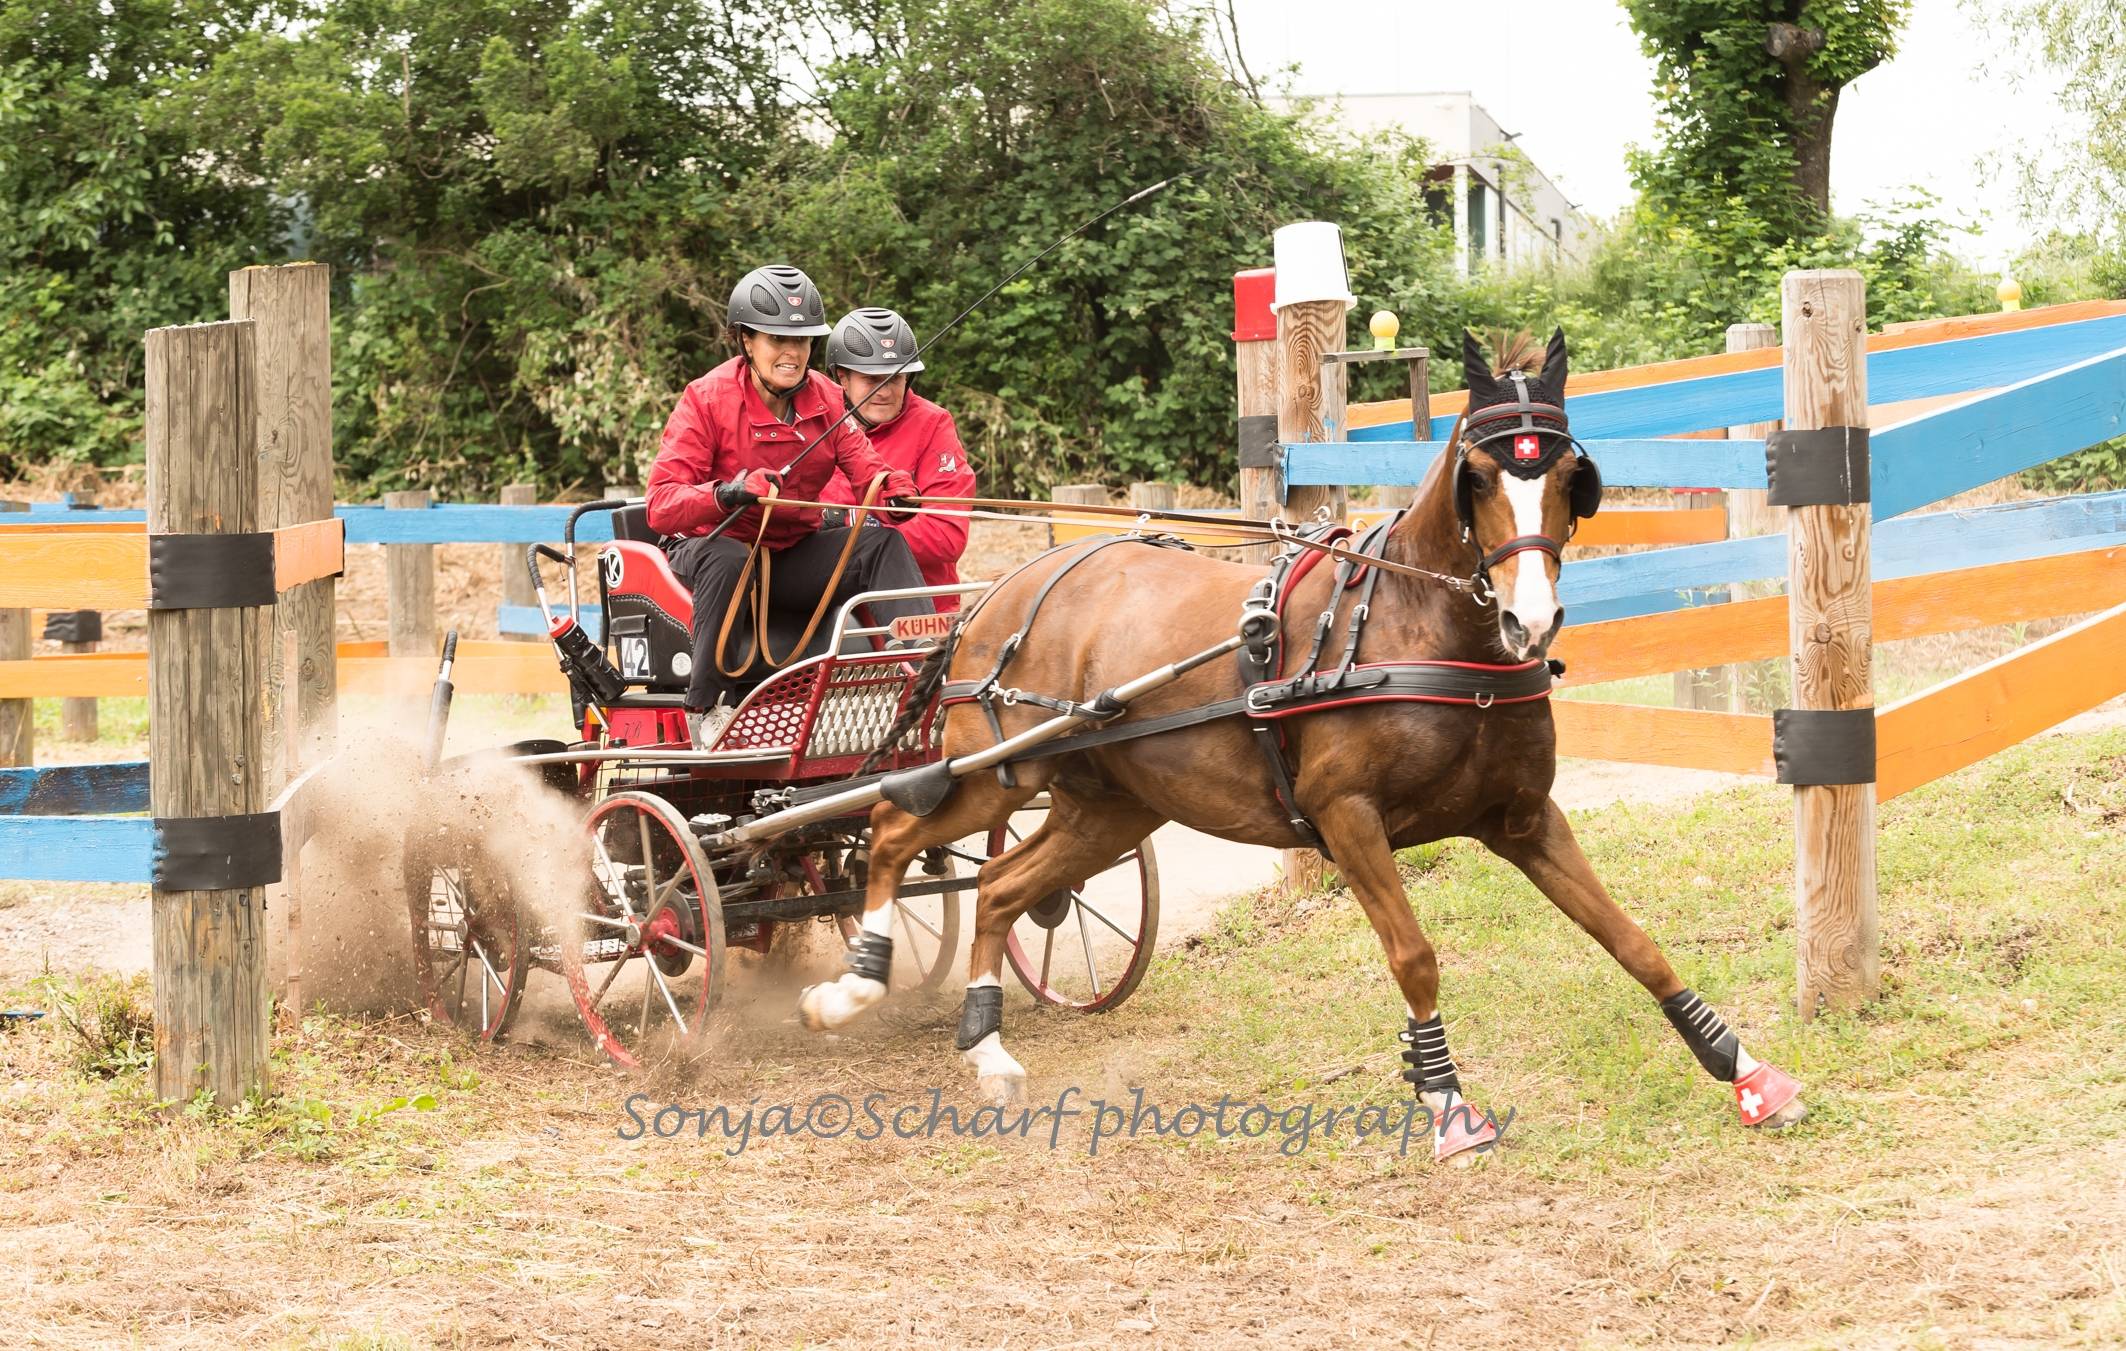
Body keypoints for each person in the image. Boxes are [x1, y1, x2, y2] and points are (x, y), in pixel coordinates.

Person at [647, 264, 932, 747]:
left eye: (801, 341)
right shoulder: (705, 399)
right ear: (745, 341)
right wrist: (727, 492)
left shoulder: (826, 396)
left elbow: (867, 468)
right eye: (777, 338)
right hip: (710, 551)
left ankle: (923, 664)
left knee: (879, 541)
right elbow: (661, 505)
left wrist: (894, 491)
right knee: (731, 557)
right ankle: (706, 708)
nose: (792, 352)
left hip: (789, 556)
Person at [817, 307, 978, 610]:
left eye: (895, 378)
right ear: (843, 378)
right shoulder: (813, 420)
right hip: (827, 604)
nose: (885, 391)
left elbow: (946, 535)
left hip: (915, 606)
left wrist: (854, 531)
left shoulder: (933, 425)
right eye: (871, 378)